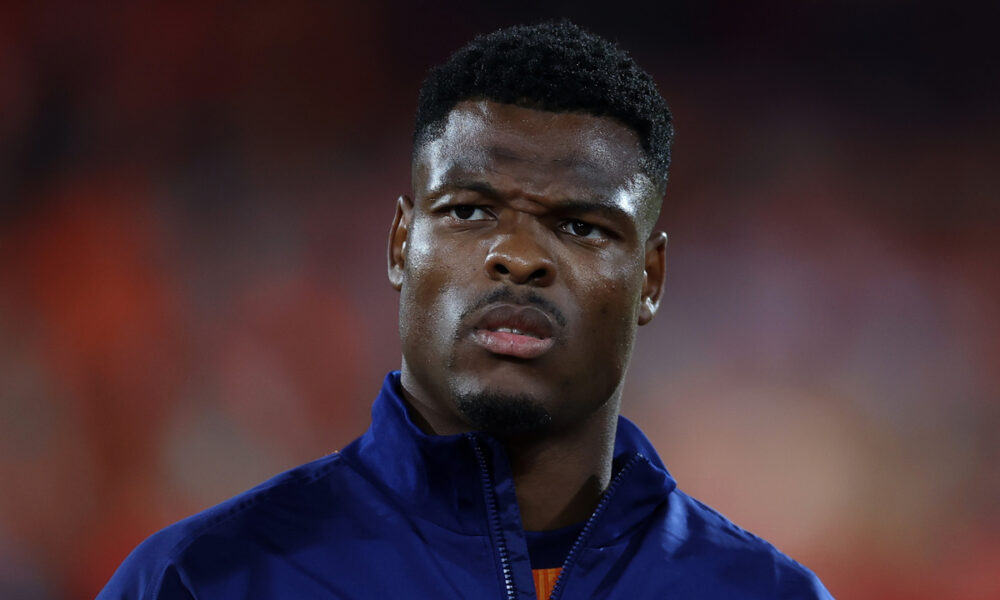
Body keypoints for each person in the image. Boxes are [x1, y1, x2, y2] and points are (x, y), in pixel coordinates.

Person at [99, 21, 833, 600]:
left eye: (581, 226)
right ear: (400, 243)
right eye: (470, 210)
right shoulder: (204, 580)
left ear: (650, 278)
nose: (518, 256)